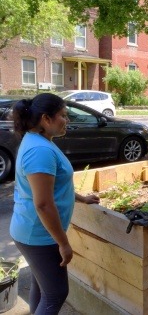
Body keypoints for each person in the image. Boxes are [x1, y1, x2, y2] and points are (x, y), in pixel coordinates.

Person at [9, 93, 100, 315]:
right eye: (63, 115)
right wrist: (63, 243)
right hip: (39, 235)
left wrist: (81, 198)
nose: (67, 121)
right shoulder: (40, 150)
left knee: (42, 287)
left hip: (31, 230)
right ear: (45, 119)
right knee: (56, 294)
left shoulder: (38, 141)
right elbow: (43, 204)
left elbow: (54, 186)